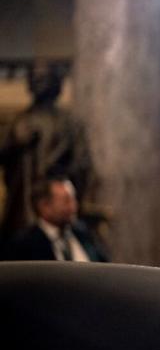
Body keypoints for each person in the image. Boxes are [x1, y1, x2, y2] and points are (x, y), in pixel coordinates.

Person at [0, 61, 94, 243]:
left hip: (55, 205)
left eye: (42, 77)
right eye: (33, 77)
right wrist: (15, 141)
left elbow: (82, 164)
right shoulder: (20, 122)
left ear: (55, 82)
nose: (37, 81)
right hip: (22, 207)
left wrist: (58, 183)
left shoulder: (69, 124)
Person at [1, 176, 108, 262]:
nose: (73, 206)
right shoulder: (23, 246)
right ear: (44, 206)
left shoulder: (85, 234)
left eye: (73, 199)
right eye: (66, 201)